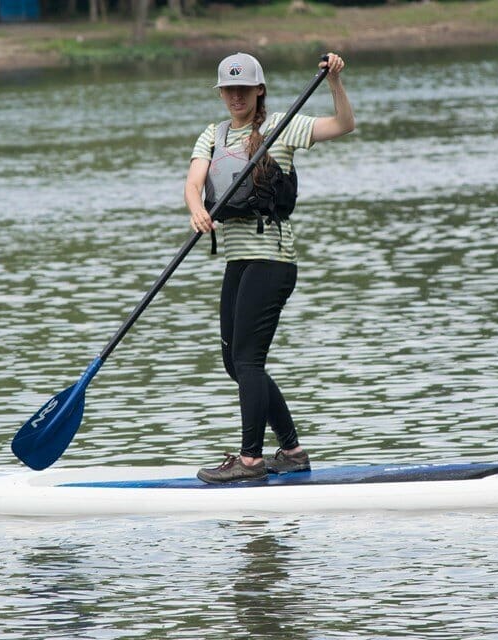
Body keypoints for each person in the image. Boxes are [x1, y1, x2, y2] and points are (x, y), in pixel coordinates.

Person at [185, 51, 354, 484]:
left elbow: (343, 125)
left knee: (247, 360)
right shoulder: (213, 134)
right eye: (229, 89)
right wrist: (195, 211)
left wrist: (334, 81)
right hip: (238, 261)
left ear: (258, 90)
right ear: (222, 92)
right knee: (235, 362)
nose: (236, 96)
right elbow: (194, 182)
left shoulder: (284, 126)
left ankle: (251, 460)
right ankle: (292, 451)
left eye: (244, 89)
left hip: (272, 260)